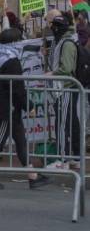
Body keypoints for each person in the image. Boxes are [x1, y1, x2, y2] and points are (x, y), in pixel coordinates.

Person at [0, 28, 50, 190]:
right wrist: (28, 105)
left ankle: (33, 176)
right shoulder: (12, 60)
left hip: (7, 105)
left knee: (20, 140)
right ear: (14, 42)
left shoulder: (0, 56)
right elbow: (17, 87)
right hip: (7, 107)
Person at [47, 14, 81, 169]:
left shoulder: (66, 43)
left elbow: (66, 68)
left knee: (63, 123)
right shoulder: (63, 41)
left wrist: (52, 73)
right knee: (70, 122)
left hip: (66, 88)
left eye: (54, 26)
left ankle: (63, 159)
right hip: (65, 88)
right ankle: (74, 157)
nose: (51, 28)